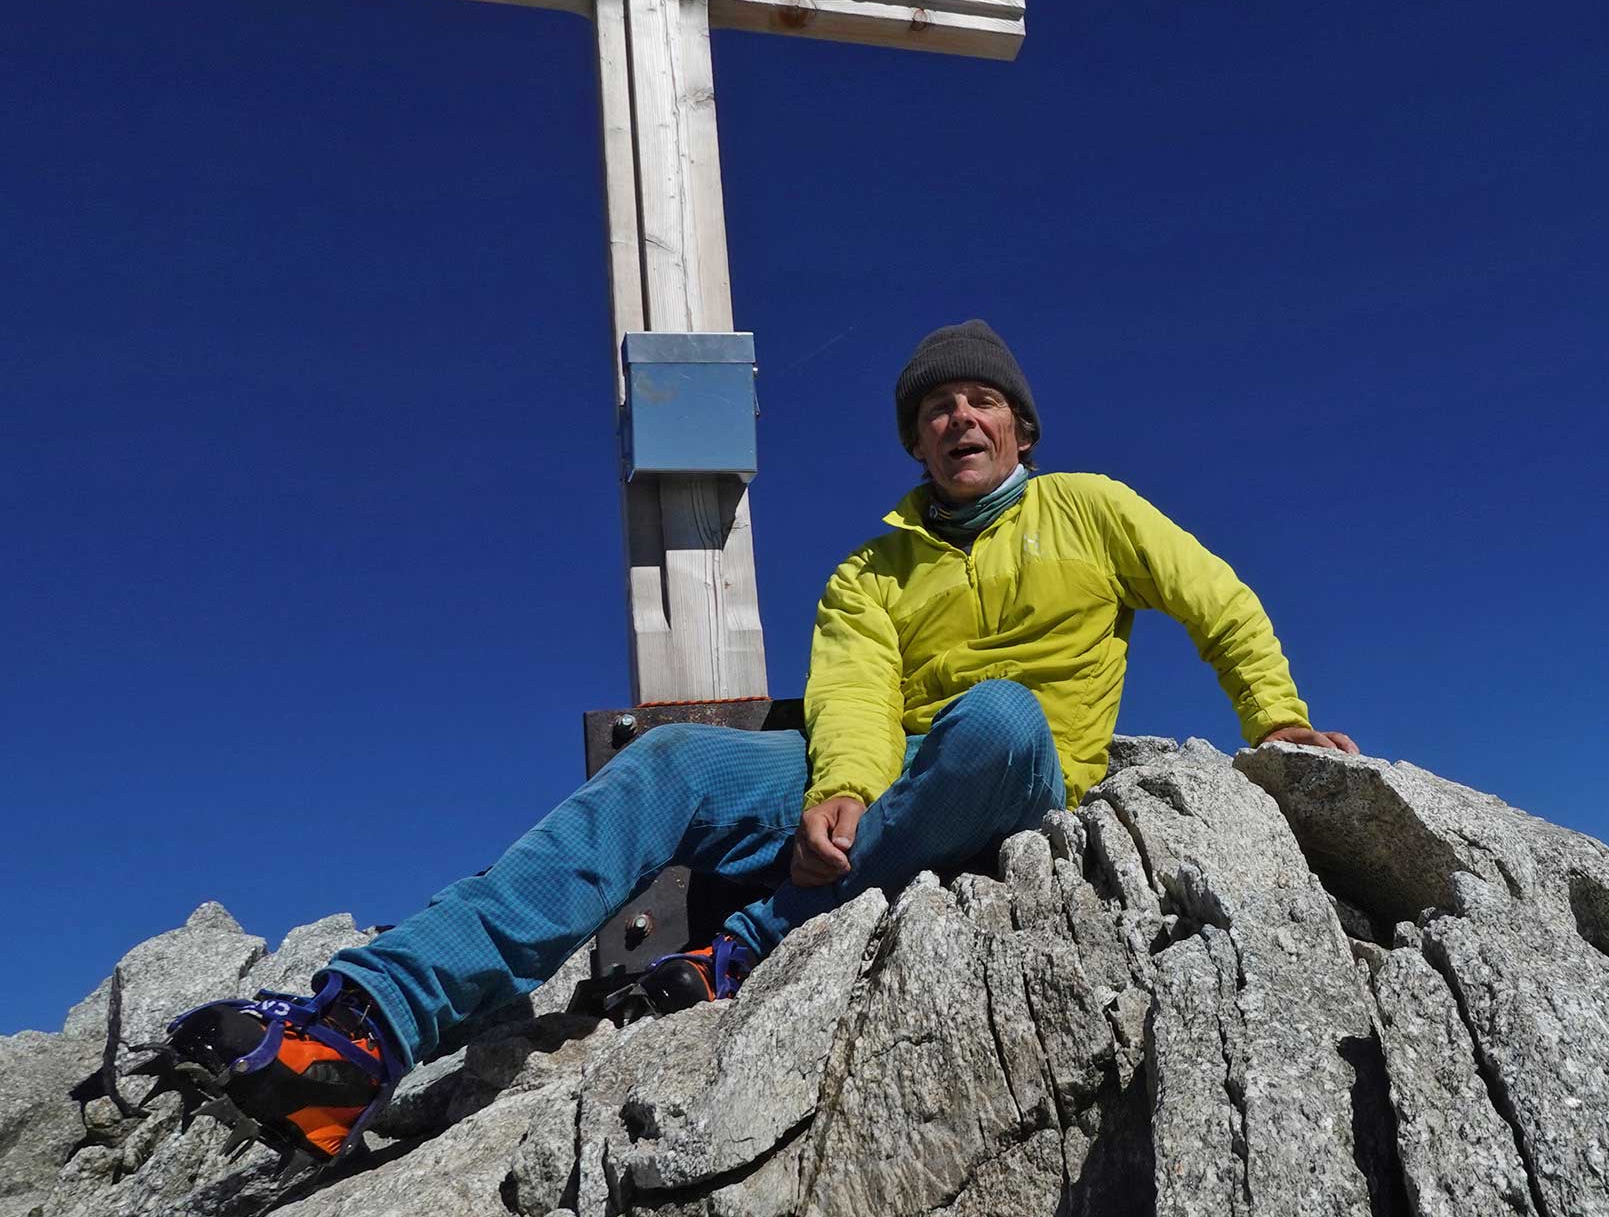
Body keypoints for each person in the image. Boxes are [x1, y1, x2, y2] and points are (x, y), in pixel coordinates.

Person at [158, 319, 1356, 1160]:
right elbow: (854, 684)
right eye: (935, 407)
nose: (958, 417)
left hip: (1018, 770)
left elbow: (1217, 598)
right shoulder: (870, 565)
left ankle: (757, 936)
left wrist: (1274, 717)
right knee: (674, 761)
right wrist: (839, 783)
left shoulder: (1092, 506)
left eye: (980, 398)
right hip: (888, 767)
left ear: (1022, 425)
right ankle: (363, 1028)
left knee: (996, 714)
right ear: (916, 443)